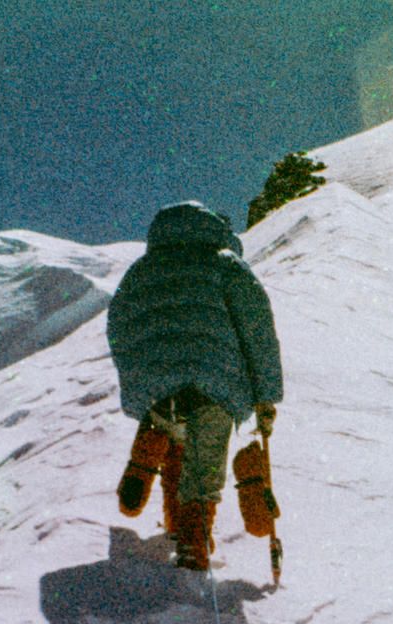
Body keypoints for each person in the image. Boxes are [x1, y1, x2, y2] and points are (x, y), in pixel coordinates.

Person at [107, 201, 282, 571]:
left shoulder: (141, 269)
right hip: (214, 381)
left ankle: (148, 453)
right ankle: (192, 547)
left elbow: (118, 325)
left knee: (177, 446)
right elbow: (258, 331)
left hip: (156, 384)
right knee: (203, 470)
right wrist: (266, 396)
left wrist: (139, 379)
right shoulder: (224, 264)